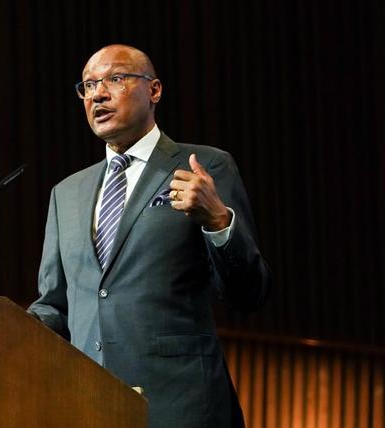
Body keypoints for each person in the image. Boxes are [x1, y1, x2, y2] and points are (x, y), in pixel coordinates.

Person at [27, 45, 272, 428]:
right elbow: (55, 306)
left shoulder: (206, 165)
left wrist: (218, 220)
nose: (98, 93)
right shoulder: (66, 193)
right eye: (88, 85)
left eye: (116, 79)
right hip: (88, 404)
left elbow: (249, 292)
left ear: (154, 90)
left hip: (181, 405)